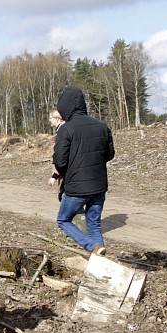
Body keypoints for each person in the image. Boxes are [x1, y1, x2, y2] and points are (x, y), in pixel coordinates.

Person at [53, 87, 115, 256]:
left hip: (76, 187)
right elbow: (110, 155)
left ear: (64, 107)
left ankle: (90, 246)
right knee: (94, 224)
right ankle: (99, 258)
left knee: (63, 220)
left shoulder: (66, 129)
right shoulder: (102, 126)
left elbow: (60, 161)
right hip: (99, 185)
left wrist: (70, 171)